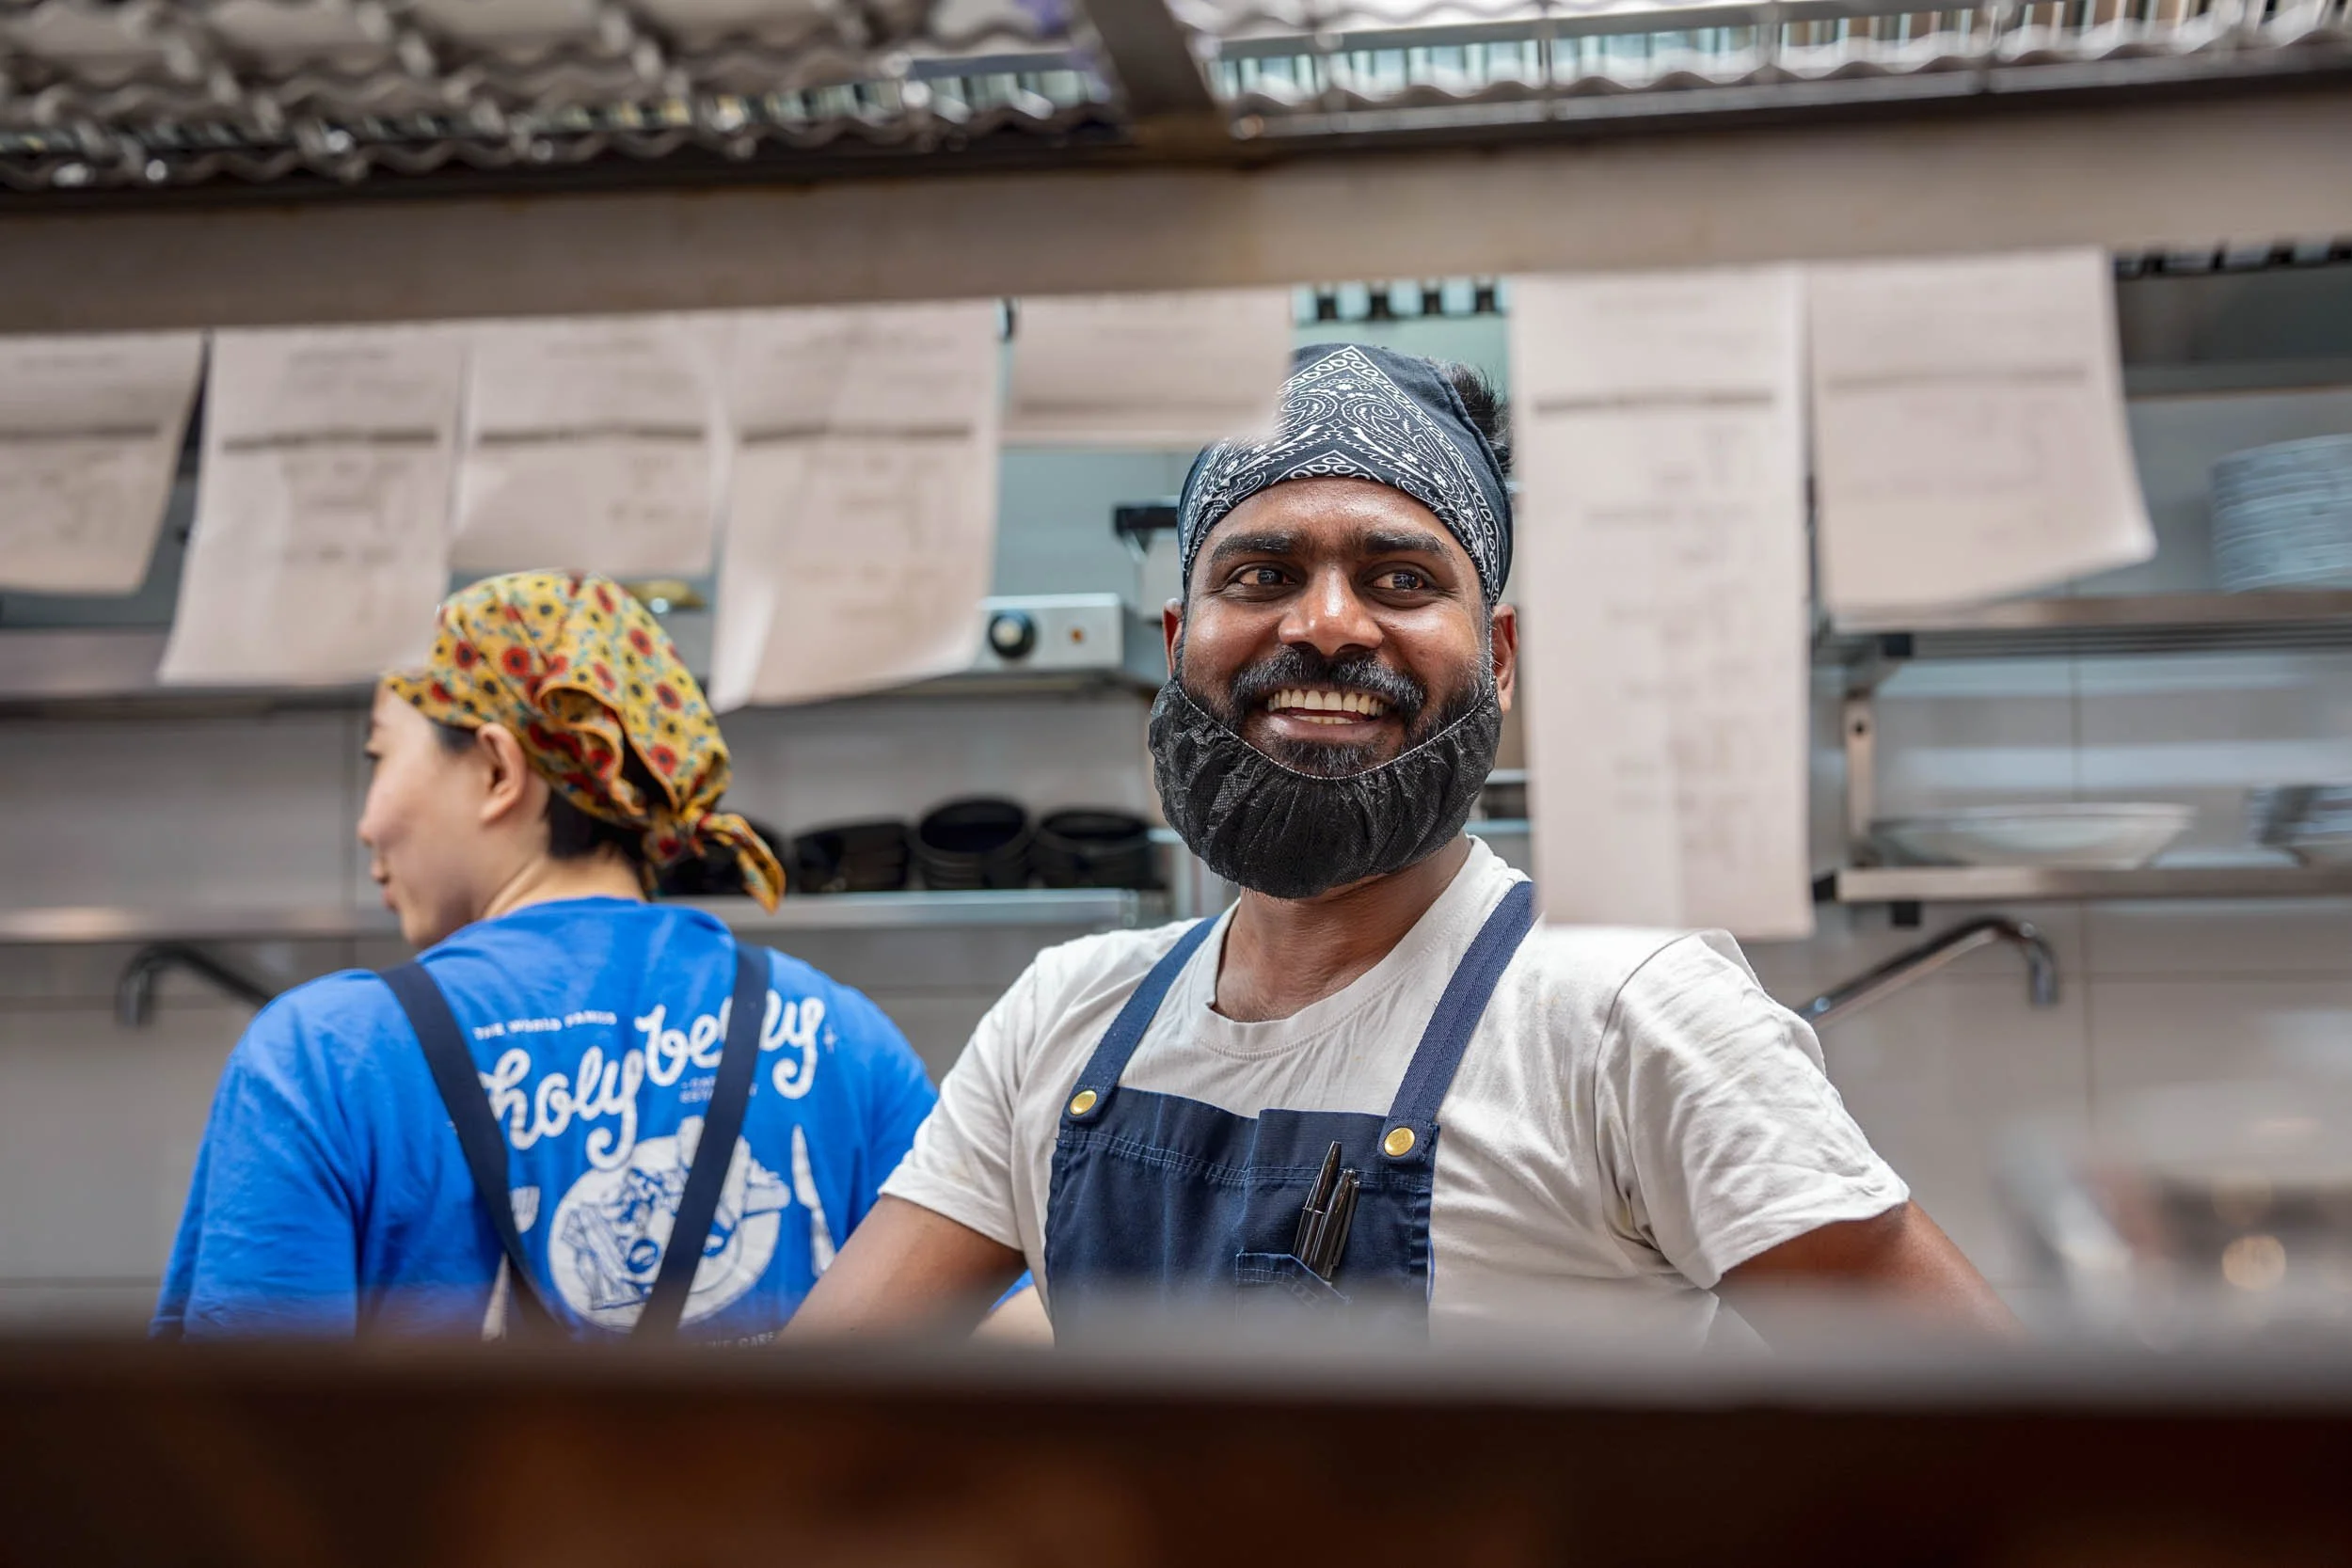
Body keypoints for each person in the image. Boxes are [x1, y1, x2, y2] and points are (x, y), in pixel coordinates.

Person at [788, 342, 2010, 1346]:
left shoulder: (1625, 1006)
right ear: (1177, 636)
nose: (1325, 623)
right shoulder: (1068, 1010)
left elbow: (1998, 1435)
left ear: (1503, 658)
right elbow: (802, 1409)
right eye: (1262, 570)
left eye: (1401, 576)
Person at [156, 571, 936, 1340]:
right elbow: (986, 1363)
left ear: (498, 770)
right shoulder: (840, 1038)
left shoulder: (323, 1057)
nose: (367, 822)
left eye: (380, 756)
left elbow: (244, 1440)